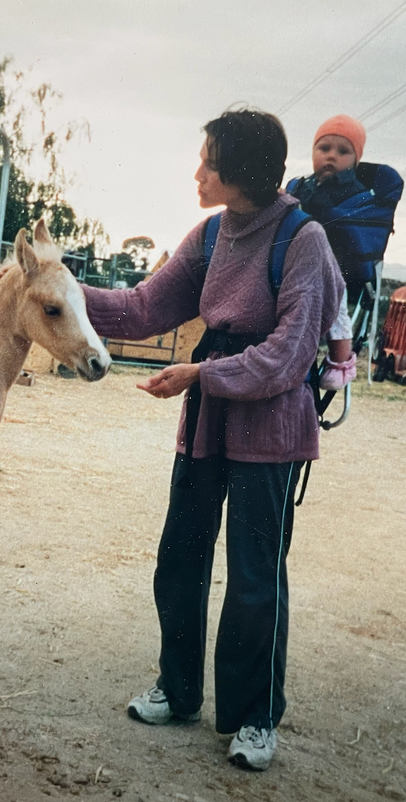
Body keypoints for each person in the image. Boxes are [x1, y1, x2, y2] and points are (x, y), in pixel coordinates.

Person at [81, 109, 343, 771]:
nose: (198, 172)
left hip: (271, 432)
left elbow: (288, 357)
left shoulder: (302, 240)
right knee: (180, 559)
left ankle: (256, 717)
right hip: (207, 423)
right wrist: (55, 290)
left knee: (256, 579)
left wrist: (204, 372)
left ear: (242, 171)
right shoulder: (209, 234)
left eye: (208, 161)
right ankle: (179, 688)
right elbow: (142, 309)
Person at [287, 114, 368, 390]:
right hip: (296, 262)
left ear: (355, 160)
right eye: (324, 149)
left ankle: (341, 360)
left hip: (334, 265)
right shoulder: (302, 185)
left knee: (337, 309)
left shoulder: (353, 192)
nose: (331, 157)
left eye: (343, 151)